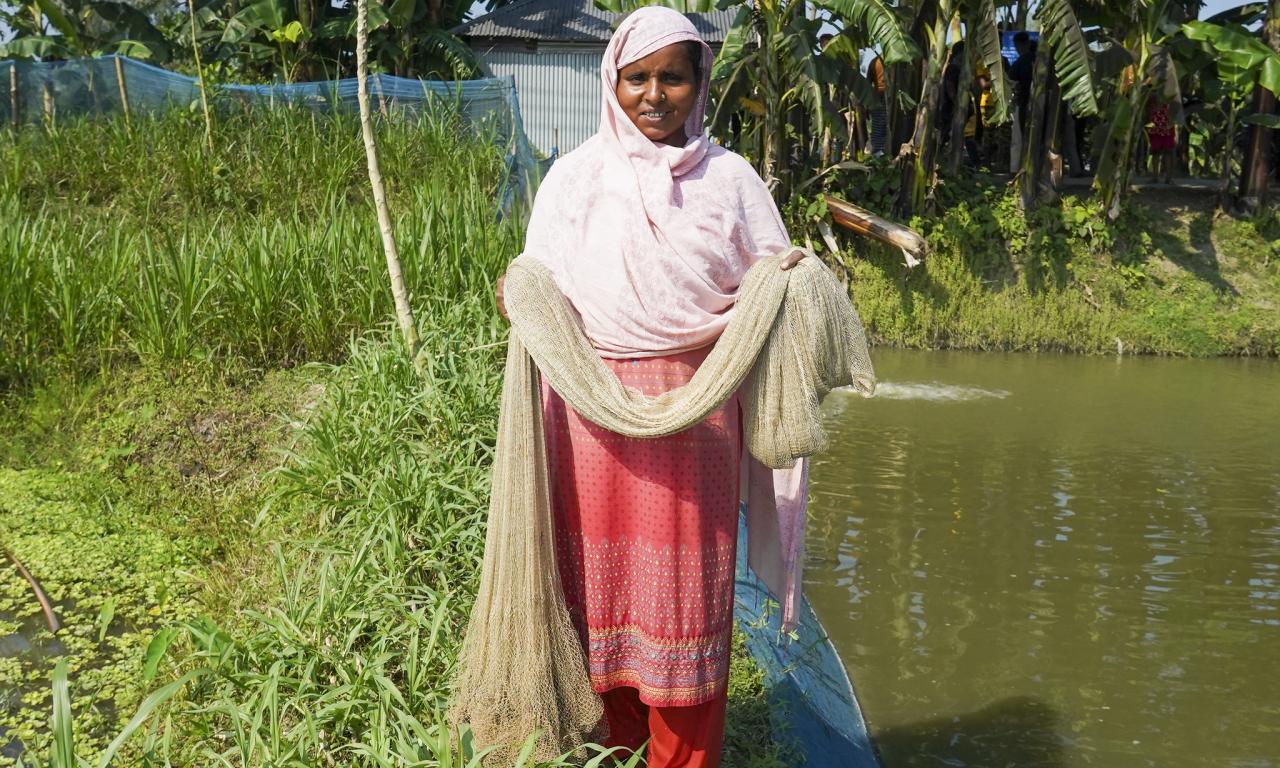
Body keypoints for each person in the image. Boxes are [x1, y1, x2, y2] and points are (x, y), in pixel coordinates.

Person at [494, 8, 807, 767]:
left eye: (673, 76)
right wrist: (520, 292)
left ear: (700, 85)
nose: (655, 94)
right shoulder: (574, 178)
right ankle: (611, 747)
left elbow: (773, 277)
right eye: (639, 77)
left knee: (686, 603)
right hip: (587, 418)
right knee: (595, 597)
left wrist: (793, 282)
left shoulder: (731, 182)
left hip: (697, 419)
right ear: (614, 81)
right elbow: (543, 281)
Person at [1146, 98, 1177, 184]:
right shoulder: (1152, 97)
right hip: (1155, 129)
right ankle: (1155, 177)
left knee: (1167, 153)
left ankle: (1168, 178)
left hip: (1167, 129)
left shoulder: (1170, 95)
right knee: (1155, 153)